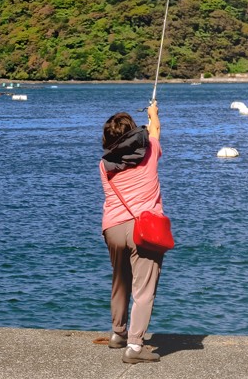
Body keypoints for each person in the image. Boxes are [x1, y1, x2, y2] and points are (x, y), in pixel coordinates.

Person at [99, 101, 164, 364]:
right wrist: (154, 114)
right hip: (143, 228)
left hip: (113, 227)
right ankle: (135, 348)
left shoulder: (104, 165)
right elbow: (155, 132)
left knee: (121, 280)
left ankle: (118, 333)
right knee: (144, 289)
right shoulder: (150, 154)